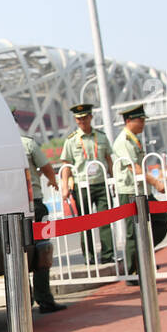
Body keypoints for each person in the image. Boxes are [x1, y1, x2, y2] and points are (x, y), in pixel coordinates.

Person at [111, 104, 167, 286]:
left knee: (161, 222)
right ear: (129, 121)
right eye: (140, 120)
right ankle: (132, 272)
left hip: (142, 191)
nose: (143, 123)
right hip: (130, 192)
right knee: (131, 233)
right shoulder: (123, 141)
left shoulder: (133, 139)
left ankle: (143, 258)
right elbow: (134, 168)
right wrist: (156, 182)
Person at [59, 103, 115, 267]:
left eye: (85, 118)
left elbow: (109, 160)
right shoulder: (71, 140)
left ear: (91, 117)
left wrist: (113, 179)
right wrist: (65, 187)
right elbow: (66, 166)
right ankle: (89, 256)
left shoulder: (101, 137)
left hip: (101, 183)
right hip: (82, 186)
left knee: (105, 220)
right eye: (79, 119)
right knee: (85, 222)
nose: (82, 121)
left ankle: (108, 254)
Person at [20, 134, 65, 312]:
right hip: (35, 204)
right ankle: (44, 299)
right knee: (43, 250)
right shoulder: (27, 143)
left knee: (16, 254)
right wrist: (53, 180)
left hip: (10, 208)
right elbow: (46, 166)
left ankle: (23, 300)